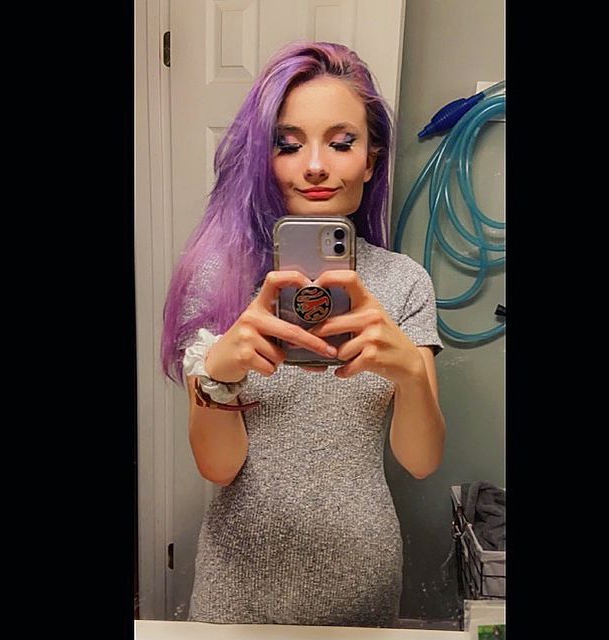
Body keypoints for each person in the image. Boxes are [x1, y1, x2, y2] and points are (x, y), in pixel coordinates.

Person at [160, 40, 446, 628]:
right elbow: (218, 467)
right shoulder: (218, 280)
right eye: (288, 145)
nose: (315, 165)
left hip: (362, 582)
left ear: (371, 161)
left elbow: (420, 461)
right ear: (262, 159)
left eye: (342, 143)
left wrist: (411, 373)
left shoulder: (404, 283)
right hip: (236, 593)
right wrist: (219, 373)